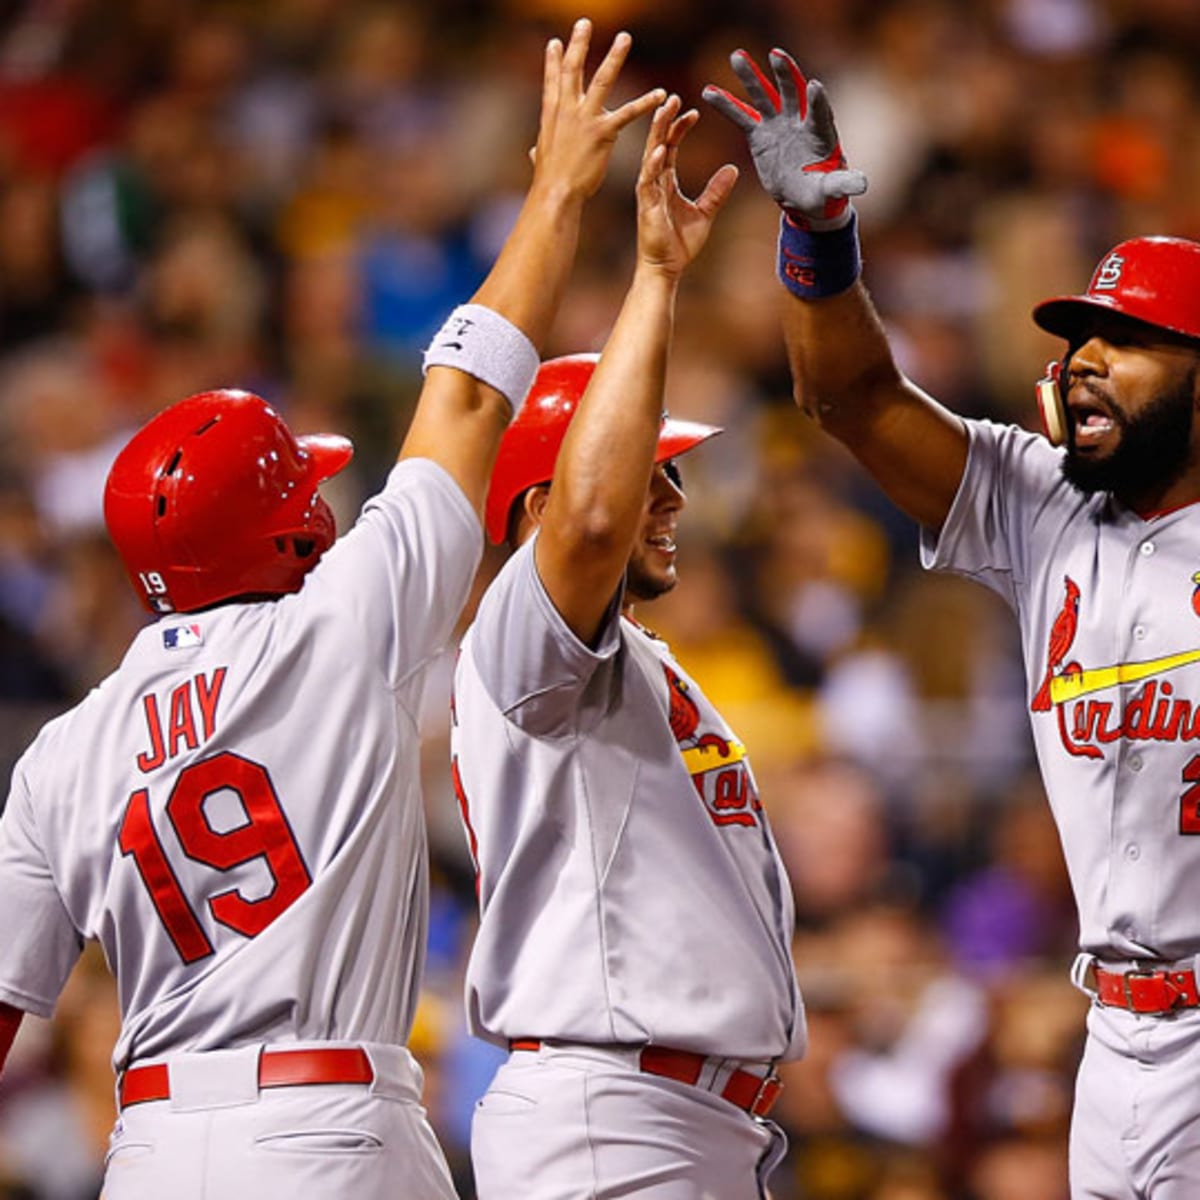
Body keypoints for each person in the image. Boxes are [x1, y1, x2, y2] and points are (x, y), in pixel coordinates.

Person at [0, 20, 665, 1199]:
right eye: (304, 488)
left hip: (146, 1149)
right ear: (286, 530)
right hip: (326, 1129)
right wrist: (558, 195)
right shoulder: (336, 626)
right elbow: (466, 400)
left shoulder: (60, 755)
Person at [705, 42, 1200, 1200]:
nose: (1083, 363)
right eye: (1078, 340)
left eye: (1124, 343)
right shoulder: (1044, 506)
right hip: (1119, 1041)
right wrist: (820, 247)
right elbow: (851, 398)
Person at [449, 90, 805, 1200]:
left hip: (679, 1118)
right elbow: (591, 523)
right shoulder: (522, 639)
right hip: (610, 1114)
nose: (672, 494)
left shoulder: (631, 660)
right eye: (648, 463)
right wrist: (654, 280)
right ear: (531, 511)